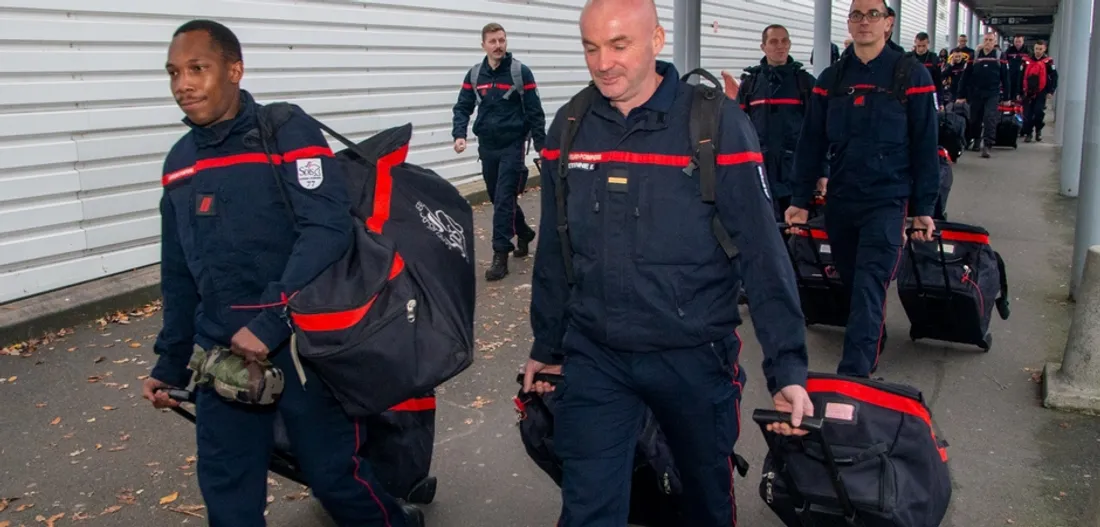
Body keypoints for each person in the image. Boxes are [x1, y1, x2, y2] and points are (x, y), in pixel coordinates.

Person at [523, 0, 814, 525]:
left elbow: (762, 254)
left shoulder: (716, 126)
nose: (603, 62)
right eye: (591, 47)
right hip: (597, 357)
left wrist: (787, 366)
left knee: (704, 503)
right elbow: (555, 252)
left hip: (694, 359)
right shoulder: (568, 128)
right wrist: (547, 345)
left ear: (657, 40)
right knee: (587, 507)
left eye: (619, 45)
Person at [143, 19, 423, 527]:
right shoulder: (179, 165)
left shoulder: (284, 130)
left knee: (334, 475)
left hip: (301, 351)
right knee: (228, 489)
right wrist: (170, 361)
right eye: (173, 73)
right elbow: (180, 273)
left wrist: (271, 319)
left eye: (197, 69)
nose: (182, 84)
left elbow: (327, 229)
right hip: (223, 357)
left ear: (235, 69)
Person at [786, 0, 939, 379]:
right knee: (855, 285)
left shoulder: (911, 75)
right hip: (842, 201)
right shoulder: (831, 80)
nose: (864, 21)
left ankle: (853, 380)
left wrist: (924, 208)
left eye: (873, 14)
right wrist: (800, 201)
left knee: (870, 286)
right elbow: (811, 144)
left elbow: (925, 144)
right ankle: (872, 336)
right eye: (856, 14)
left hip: (887, 203)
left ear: (888, 23)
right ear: (849, 25)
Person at [452, 23, 547, 281]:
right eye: (493, 41)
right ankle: (524, 232)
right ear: (483, 44)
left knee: (504, 198)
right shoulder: (475, 75)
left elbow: (535, 112)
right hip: (488, 147)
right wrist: (459, 134)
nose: (498, 46)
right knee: (498, 197)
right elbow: (462, 107)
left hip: (513, 145)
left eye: (501, 40)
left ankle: (500, 255)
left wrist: (542, 147)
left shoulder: (520, 73)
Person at [736, 24, 819, 220]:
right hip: (760, 174)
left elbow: (819, 132)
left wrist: (823, 172)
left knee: (796, 236)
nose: (780, 46)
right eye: (773, 42)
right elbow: (737, 130)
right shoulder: (750, 85)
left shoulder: (805, 83)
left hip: (796, 176)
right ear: (763, 47)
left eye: (784, 41)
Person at [955, 32, 1008, 158]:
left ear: (994, 42)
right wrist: (961, 95)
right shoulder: (974, 56)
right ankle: (976, 140)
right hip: (976, 92)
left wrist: (1007, 97)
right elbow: (965, 76)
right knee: (975, 118)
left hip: (993, 92)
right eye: (986, 40)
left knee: (990, 117)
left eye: (990, 40)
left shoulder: (1000, 56)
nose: (988, 42)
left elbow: (1006, 78)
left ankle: (988, 144)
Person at [1020, 39, 1057, 142]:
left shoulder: (1048, 62)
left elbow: (1054, 77)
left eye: (1040, 49)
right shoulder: (1026, 61)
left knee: (1038, 112)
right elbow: (1021, 76)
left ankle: (1038, 130)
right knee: (1027, 114)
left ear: (1044, 49)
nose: (1038, 51)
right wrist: (1019, 92)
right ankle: (1028, 133)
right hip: (1027, 91)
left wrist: (1051, 91)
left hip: (1041, 91)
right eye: (1036, 49)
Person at [908, 32, 945, 107]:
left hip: (929, 94)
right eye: (918, 46)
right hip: (912, 94)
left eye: (923, 46)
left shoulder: (934, 59)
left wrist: (940, 101)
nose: (921, 49)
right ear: (915, 42)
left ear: (928, 44)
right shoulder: (908, 58)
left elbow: (938, 82)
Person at [946, 34, 975, 100]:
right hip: (954, 77)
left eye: (964, 41)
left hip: (966, 77)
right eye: (961, 41)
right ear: (958, 41)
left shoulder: (971, 52)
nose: (962, 42)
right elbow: (949, 63)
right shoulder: (953, 51)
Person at [1003, 35, 1030, 102]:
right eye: (1016, 41)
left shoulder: (1028, 51)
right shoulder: (1009, 50)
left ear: (1023, 42)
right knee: (1011, 89)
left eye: (1019, 41)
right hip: (1011, 74)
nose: (1018, 43)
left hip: (1023, 75)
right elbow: (1004, 60)